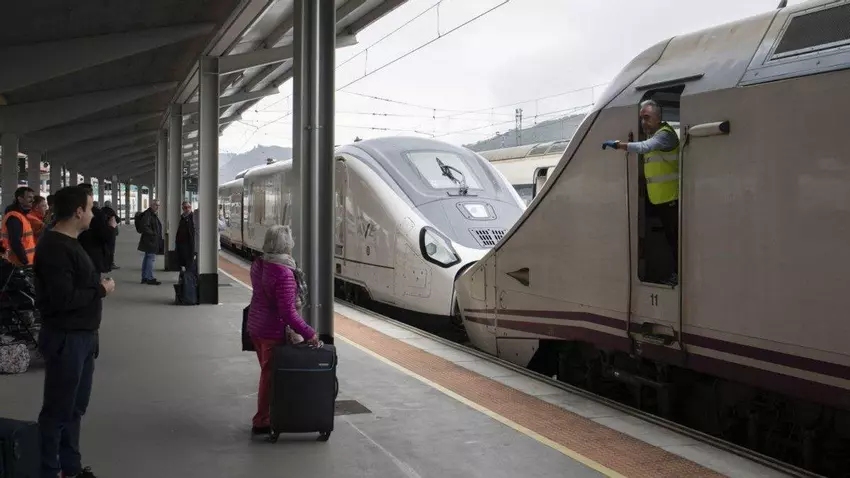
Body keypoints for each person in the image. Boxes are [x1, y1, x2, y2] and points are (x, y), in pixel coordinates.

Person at [34, 185, 116, 478]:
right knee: (58, 410)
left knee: (74, 408)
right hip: (66, 338)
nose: (93, 214)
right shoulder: (55, 248)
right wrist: (100, 290)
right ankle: (49, 469)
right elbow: (63, 299)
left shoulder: (70, 242)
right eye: (90, 209)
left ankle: (70, 467)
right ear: (78, 211)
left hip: (81, 337)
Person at [246, 225, 318, 435]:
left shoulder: (258, 264)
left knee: (268, 374)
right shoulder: (284, 273)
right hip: (271, 331)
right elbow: (287, 313)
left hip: (255, 326)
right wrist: (309, 333)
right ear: (286, 245)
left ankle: (271, 415)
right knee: (269, 378)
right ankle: (262, 420)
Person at [602, 99, 680, 285]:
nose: (644, 122)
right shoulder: (655, 136)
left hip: (671, 198)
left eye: (647, 117)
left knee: (675, 241)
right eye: (641, 118)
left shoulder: (665, 135)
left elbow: (645, 147)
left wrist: (619, 145)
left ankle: (679, 275)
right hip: (660, 199)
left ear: (658, 117)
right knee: (669, 239)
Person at [77, 184, 117, 276]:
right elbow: (105, 236)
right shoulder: (97, 213)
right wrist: (111, 227)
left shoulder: (69, 211)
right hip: (93, 254)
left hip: (77, 253)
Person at [1, 186, 36, 266]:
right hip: (18, 264)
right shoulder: (14, 217)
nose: (33, 200)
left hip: (21, 263)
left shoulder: (21, 215)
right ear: (20, 199)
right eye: (29, 197)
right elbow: (15, 242)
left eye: (33, 197)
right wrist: (25, 262)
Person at [136, 199, 163, 285]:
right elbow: (144, 226)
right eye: (156, 205)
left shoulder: (151, 214)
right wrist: (153, 234)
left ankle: (145, 277)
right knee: (151, 258)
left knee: (147, 258)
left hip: (150, 240)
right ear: (151, 205)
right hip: (150, 241)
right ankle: (149, 278)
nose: (157, 207)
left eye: (158, 205)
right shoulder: (148, 214)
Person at [175, 201, 196, 272]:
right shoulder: (182, 217)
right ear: (183, 208)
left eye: (189, 207)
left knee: (189, 264)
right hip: (181, 245)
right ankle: (183, 277)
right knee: (182, 264)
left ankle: (188, 277)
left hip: (189, 245)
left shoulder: (193, 217)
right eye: (185, 207)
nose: (188, 209)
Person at [101, 201, 119, 270]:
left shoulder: (101, 211)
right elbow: (118, 219)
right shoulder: (111, 211)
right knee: (111, 249)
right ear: (110, 205)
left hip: (103, 231)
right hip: (111, 232)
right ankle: (111, 264)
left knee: (104, 248)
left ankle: (104, 263)